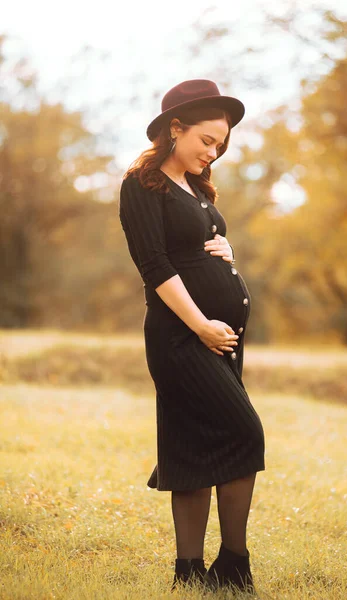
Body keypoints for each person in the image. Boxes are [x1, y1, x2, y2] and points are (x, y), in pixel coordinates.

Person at [119, 79, 265, 597]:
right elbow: (154, 264)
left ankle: (189, 571)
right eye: (206, 140)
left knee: (194, 446)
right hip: (183, 338)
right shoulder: (143, 183)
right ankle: (234, 564)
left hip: (219, 338)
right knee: (246, 433)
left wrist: (226, 251)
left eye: (220, 144)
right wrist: (199, 324)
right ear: (174, 129)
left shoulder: (198, 188)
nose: (214, 151)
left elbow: (193, 251)